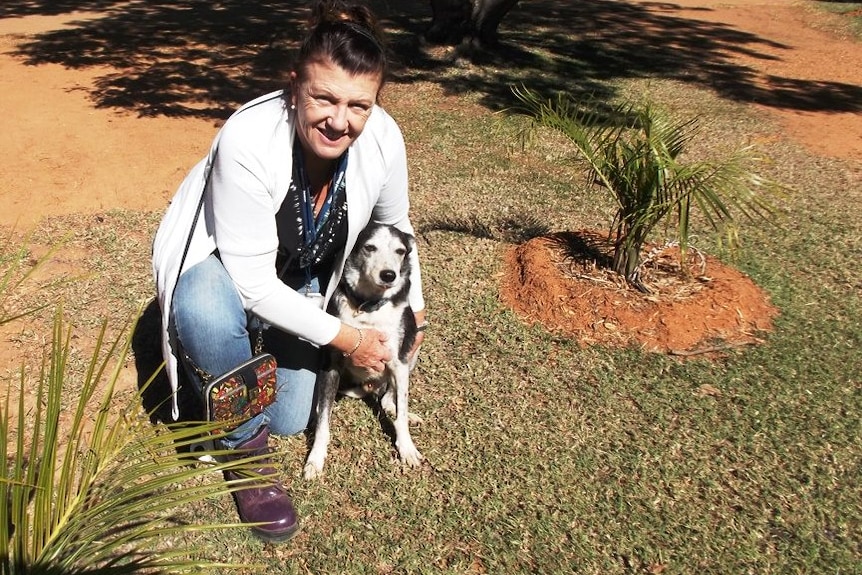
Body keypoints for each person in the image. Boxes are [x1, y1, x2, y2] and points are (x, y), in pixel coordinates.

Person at [151, 0, 426, 542]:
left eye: (358, 105)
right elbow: (251, 282)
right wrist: (348, 338)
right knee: (205, 305)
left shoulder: (383, 136)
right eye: (323, 97)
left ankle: (241, 363)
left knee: (290, 418)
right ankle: (245, 454)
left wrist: (414, 305)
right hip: (226, 273)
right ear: (294, 83)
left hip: (302, 287)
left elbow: (397, 221)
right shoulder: (248, 138)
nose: (340, 120)